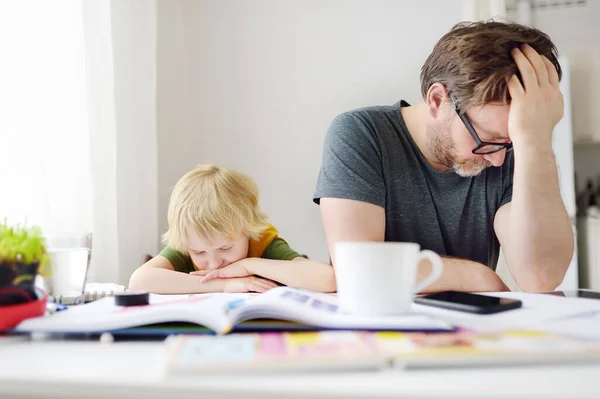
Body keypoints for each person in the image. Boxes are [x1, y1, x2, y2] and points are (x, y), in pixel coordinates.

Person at [314, 21, 574, 293]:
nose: (498, 160)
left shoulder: (515, 149)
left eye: (510, 143)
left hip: (472, 332)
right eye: (487, 139)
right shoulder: (361, 133)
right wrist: (476, 276)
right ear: (437, 100)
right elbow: (359, 270)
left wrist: (535, 141)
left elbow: (540, 277)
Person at [130, 164, 335, 294]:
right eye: (199, 252)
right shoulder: (186, 244)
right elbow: (139, 281)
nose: (213, 263)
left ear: (247, 230)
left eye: (226, 248)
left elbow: (328, 279)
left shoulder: (261, 244)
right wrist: (225, 285)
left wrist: (249, 265)